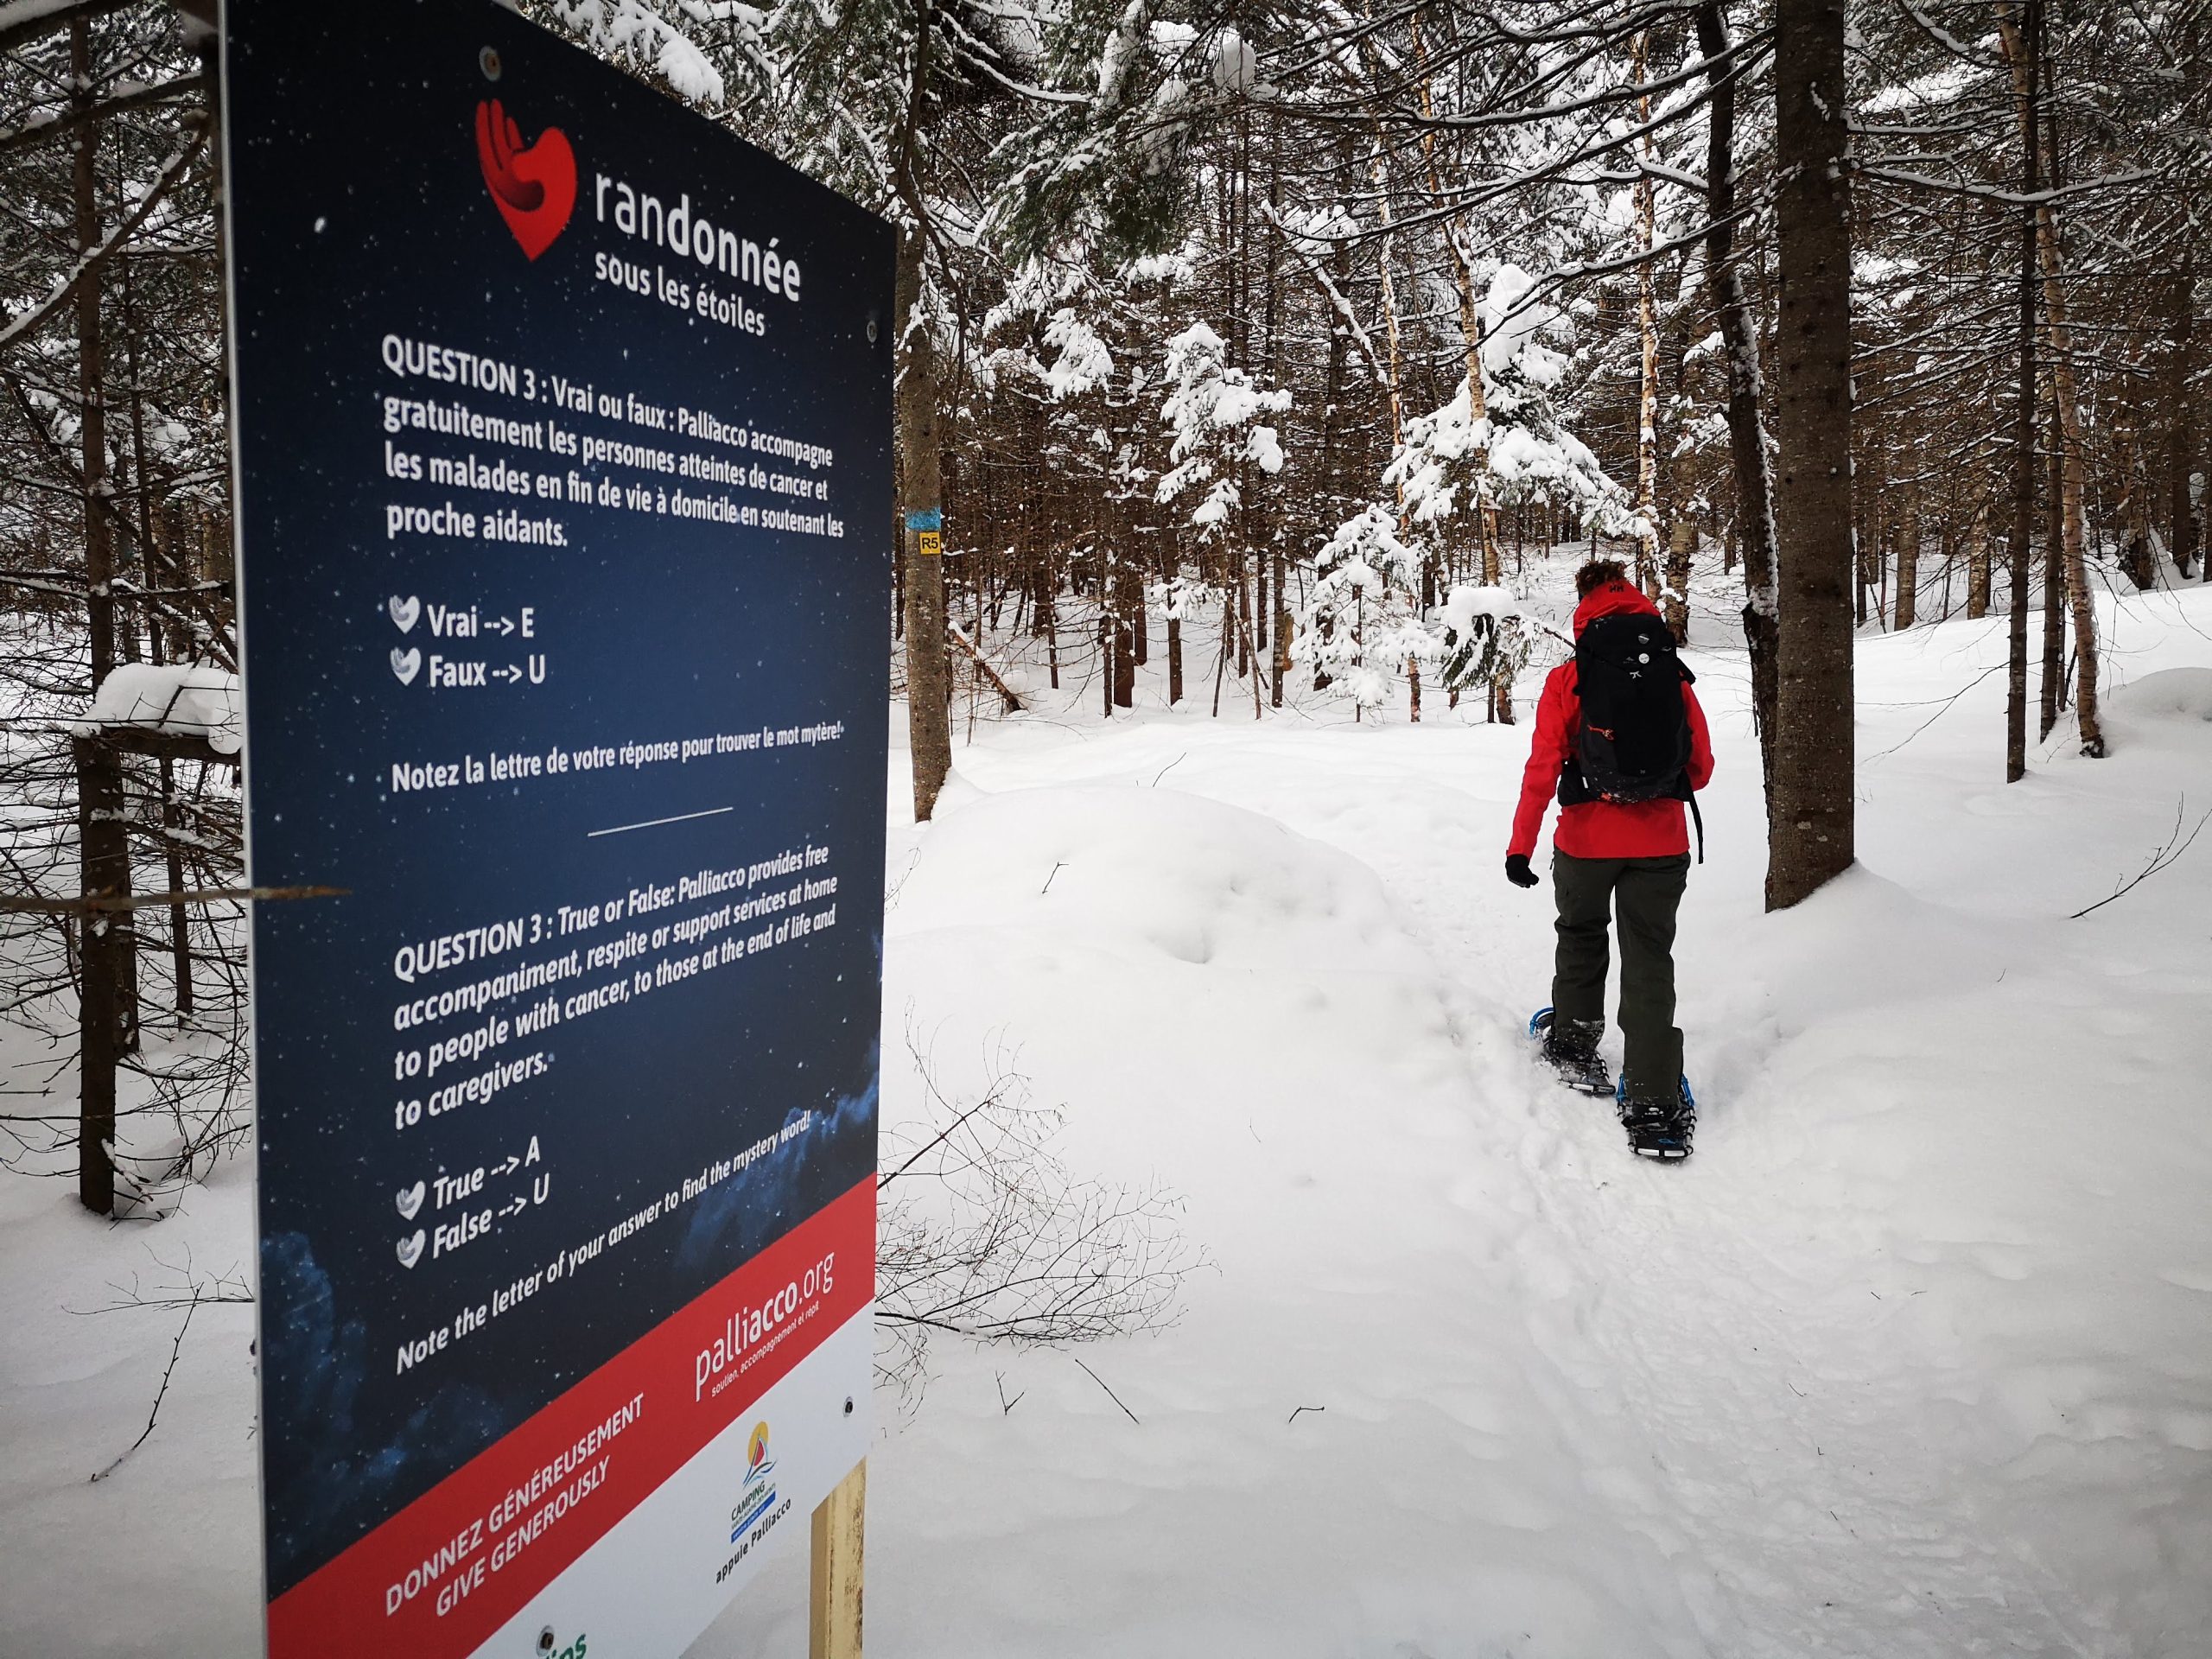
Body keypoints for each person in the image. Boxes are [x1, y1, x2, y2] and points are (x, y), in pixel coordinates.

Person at [1505, 558, 1713, 1159]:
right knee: (1649, 957)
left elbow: (1542, 769)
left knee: (1580, 934)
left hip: (1586, 843)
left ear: (1583, 605)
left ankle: (1573, 1042)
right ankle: (1652, 1096)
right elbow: (1700, 768)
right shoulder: (1671, 674)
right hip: (1662, 843)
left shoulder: (1568, 679)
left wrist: (1521, 846)